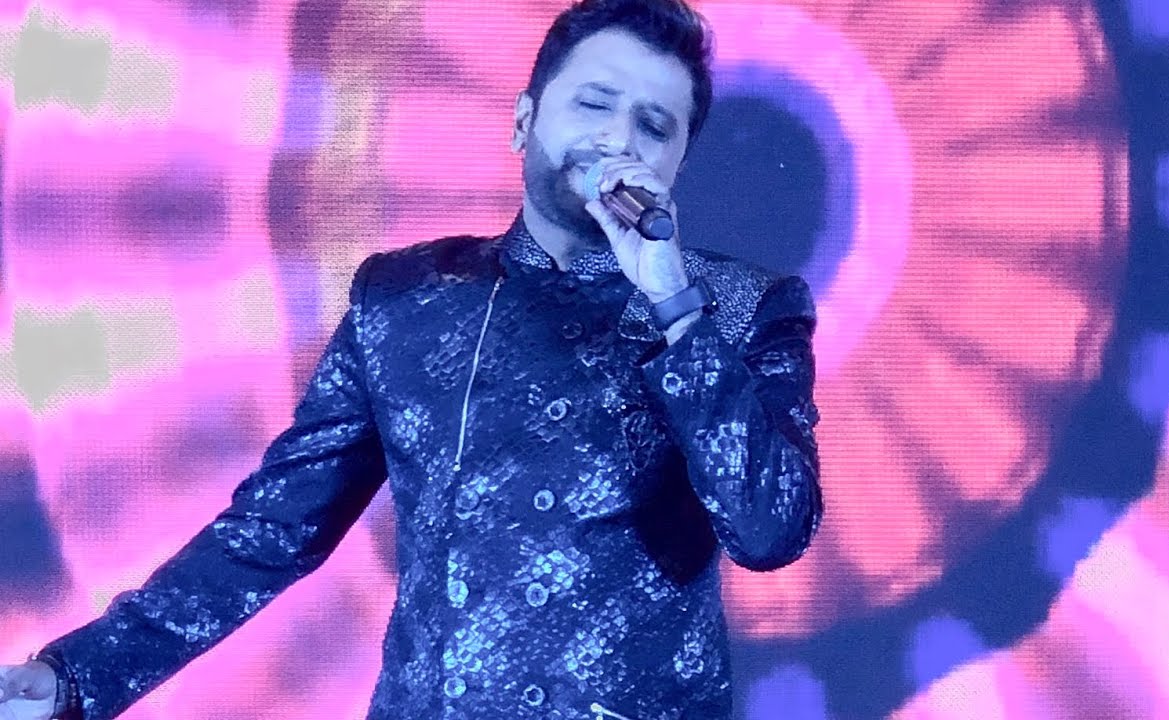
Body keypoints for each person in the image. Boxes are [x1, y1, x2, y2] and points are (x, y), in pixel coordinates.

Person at [0, 0, 824, 717]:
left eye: (654, 125)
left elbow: (770, 531)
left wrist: (672, 300)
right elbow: (274, 529)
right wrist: (79, 674)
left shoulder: (741, 306)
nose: (618, 138)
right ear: (524, 121)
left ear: (677, 162)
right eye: (594, 103)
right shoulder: (404, 298)